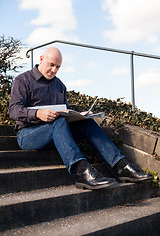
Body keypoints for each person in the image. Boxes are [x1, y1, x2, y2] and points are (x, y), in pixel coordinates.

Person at [9, 47, 153, 190]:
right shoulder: (22, 80)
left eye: (58, 67)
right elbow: (13, 110)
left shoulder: (59, 85)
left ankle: (120, 167)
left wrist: (79, 116)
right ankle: (82, 172)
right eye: (51, 65)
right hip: (28, 134)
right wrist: (38, 113)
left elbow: (64, 111)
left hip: (57, 133)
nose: (54, 70)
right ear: (41, 59)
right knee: (58, 122)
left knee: (87, 123)